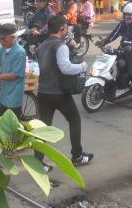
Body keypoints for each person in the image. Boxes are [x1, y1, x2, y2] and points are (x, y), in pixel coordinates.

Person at [36, 16, 93, 165]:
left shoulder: (42, 46)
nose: (67, 31)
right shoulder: (60, 46)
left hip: (43, 92)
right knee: (74, 120)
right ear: (61, 29)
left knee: (43, 127)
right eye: (66, 28)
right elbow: (66, 68)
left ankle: (38, 162)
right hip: (58, 93)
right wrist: (82, 67)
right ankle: (77, 156)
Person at [96, 2, 132, 109]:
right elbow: (114, 34)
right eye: (126, 14)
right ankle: (113, 86)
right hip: (122, 50)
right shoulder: (123, 24)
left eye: (130, 15)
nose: (127, 16)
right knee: (108, 61)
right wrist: (103, 42)